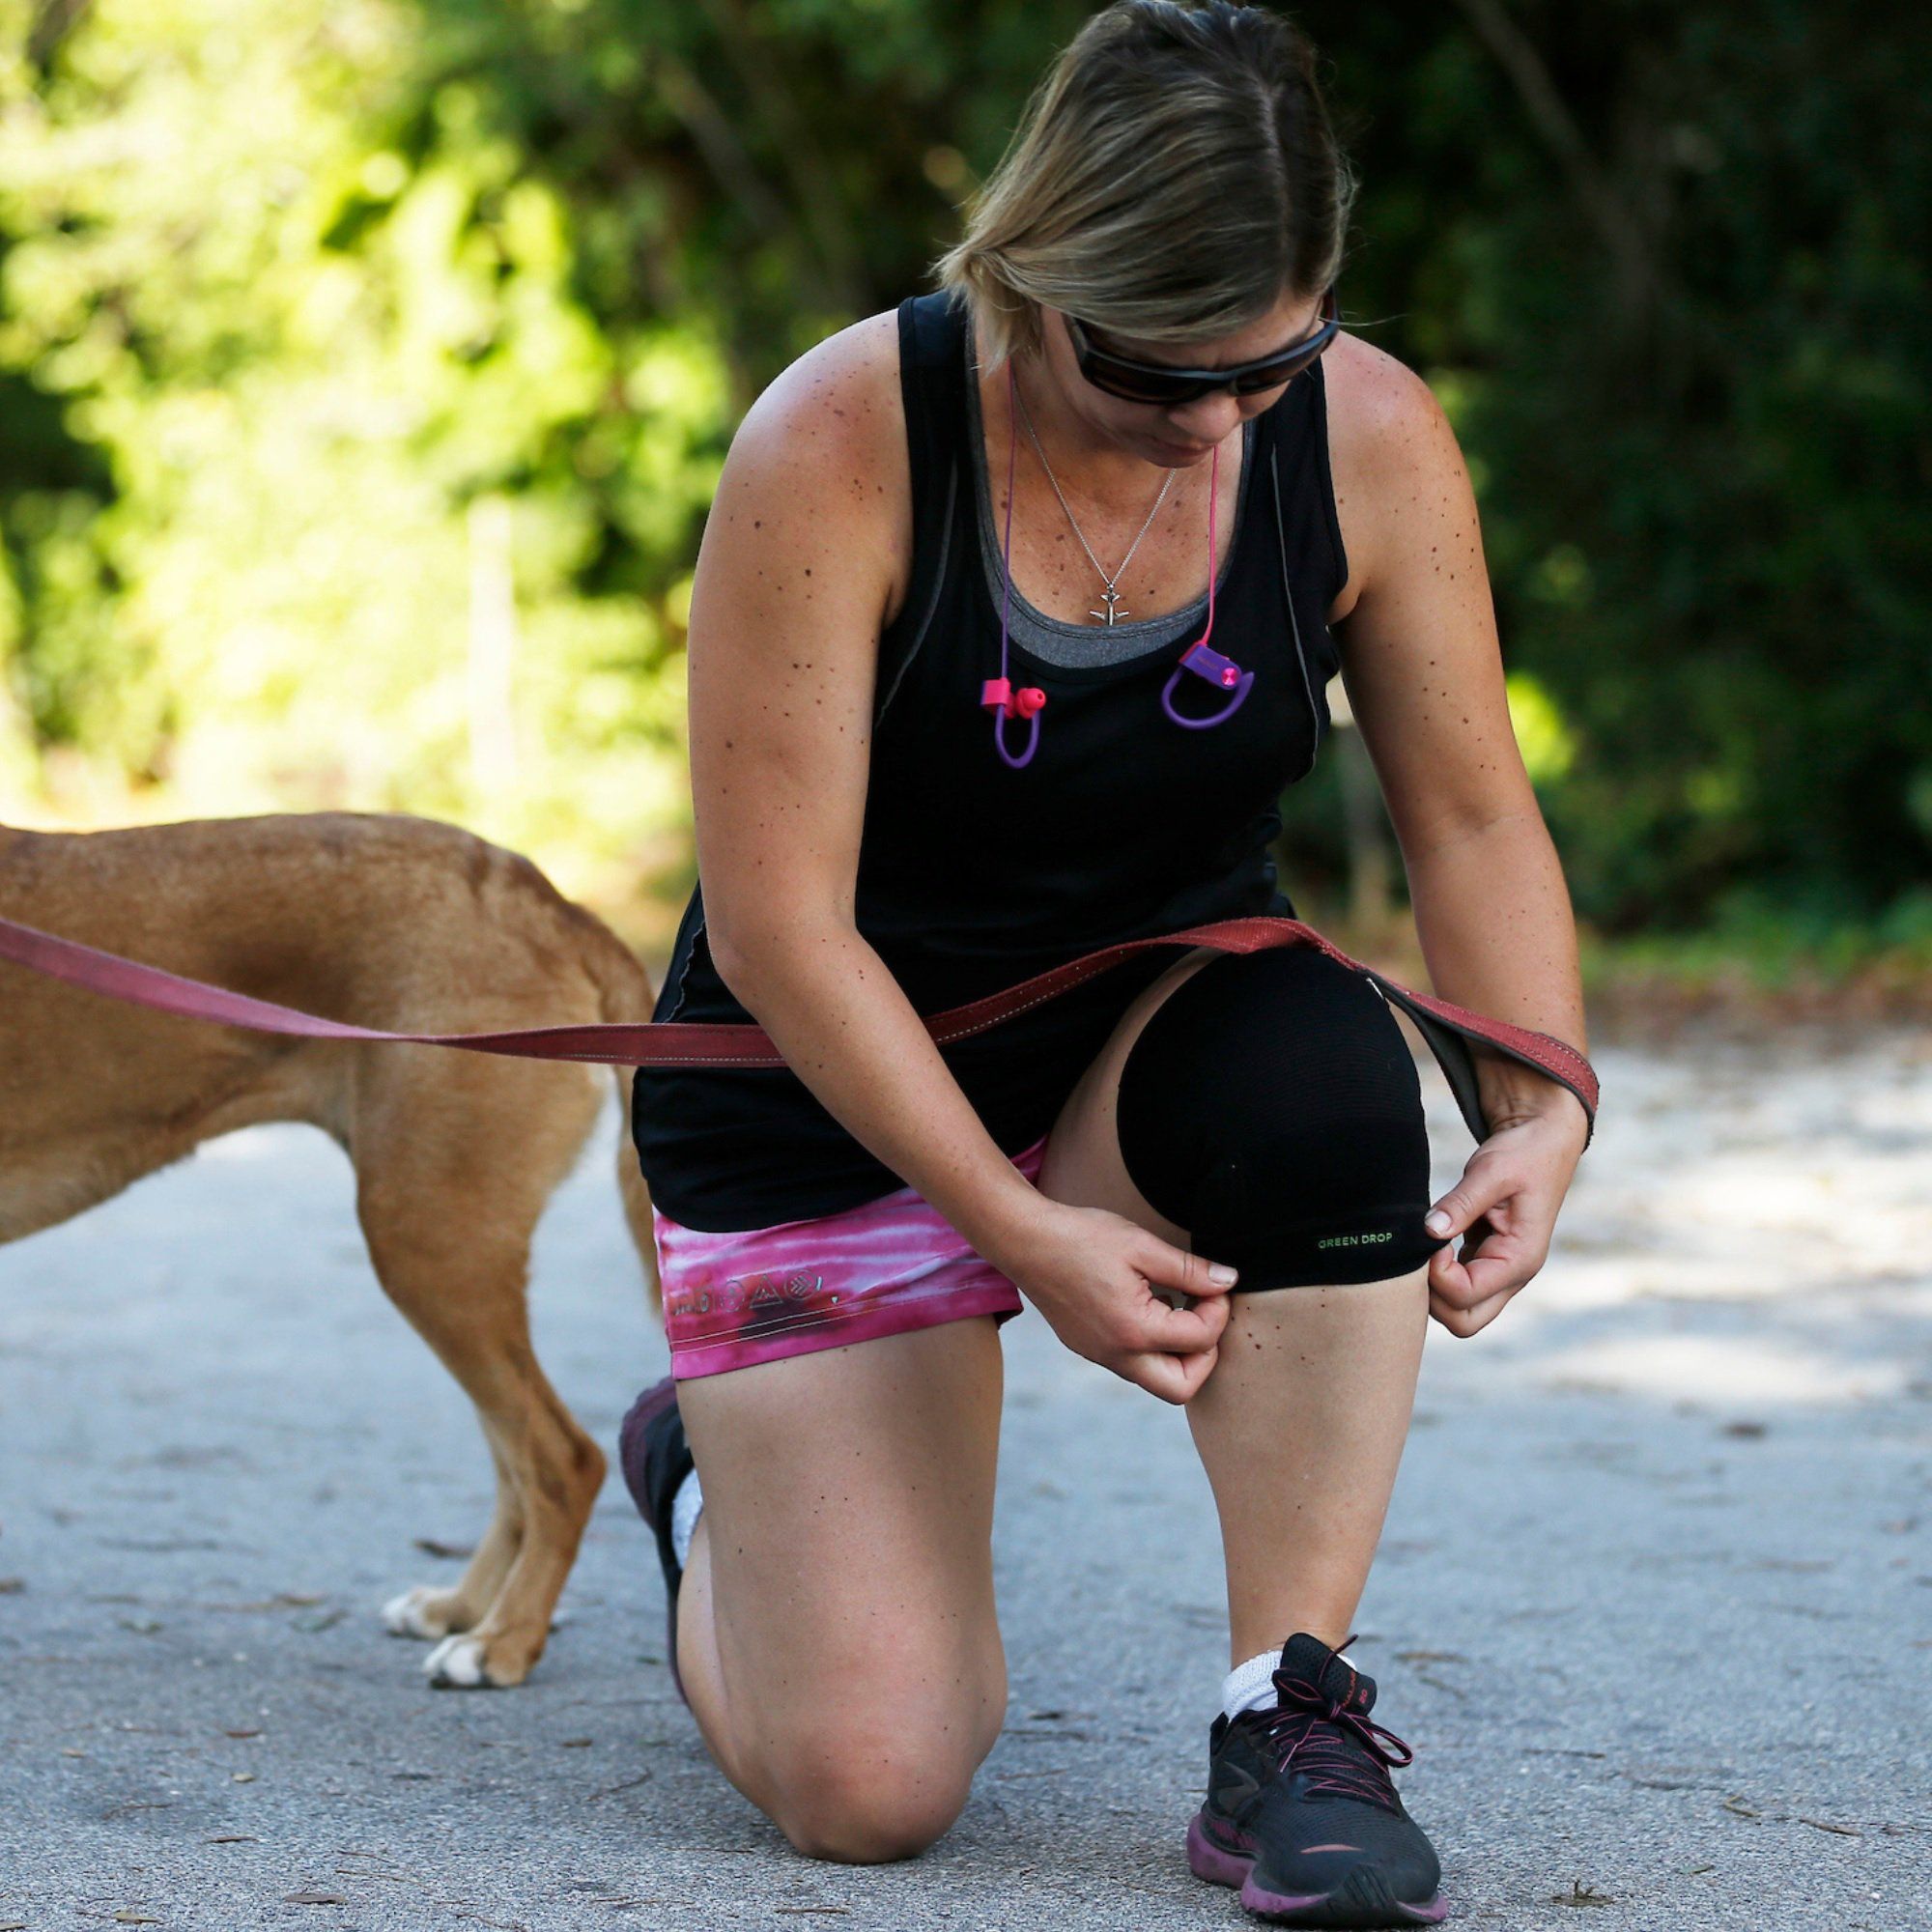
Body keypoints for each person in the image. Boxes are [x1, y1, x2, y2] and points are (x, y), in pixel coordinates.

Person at [620, 3, 1593, 1923]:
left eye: (1270, 362)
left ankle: (1283, 1711)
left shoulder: (1368, 438)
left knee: (1321, 1064)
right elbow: (777, 924)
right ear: (1032, 271)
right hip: (824, 1080)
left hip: (1141, 1044)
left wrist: (1543, 1100)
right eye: (1154, 372)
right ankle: (708, 1486)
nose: (1216, 422)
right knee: (872, 1787)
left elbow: (1470, 820)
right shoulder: (839, 439)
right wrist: (1009, 1224)